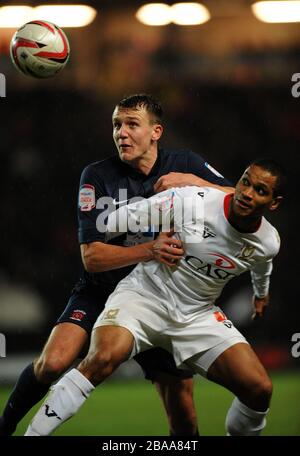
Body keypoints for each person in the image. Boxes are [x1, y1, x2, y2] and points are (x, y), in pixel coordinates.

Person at [0, 94, 233, 436]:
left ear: (156, 132)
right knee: (53, 362)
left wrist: (196, 183)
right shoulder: (97, 176)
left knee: (182, 411)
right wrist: (151, 250)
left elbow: (240, 201)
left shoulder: (184, 164)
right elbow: (92, 258)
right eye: (116, 125)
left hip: (160, 298)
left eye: (131, 124)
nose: (121, 133)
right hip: (102, 290)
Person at [24, 158, 285, 437]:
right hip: (143, 297)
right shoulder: (191, 202)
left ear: (273, 203)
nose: (246, 193)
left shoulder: (269, 241)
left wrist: (261, 293)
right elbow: (112, 221)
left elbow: (261, 265)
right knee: (101, 358)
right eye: (245, 181)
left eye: (260, 190)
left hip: (198, 315)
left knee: (259, 390)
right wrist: (147, 243)